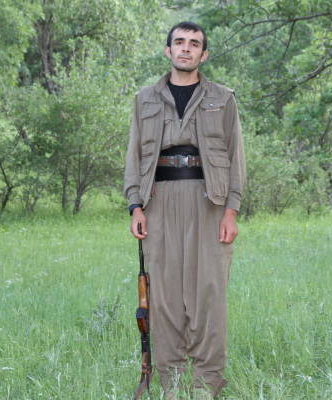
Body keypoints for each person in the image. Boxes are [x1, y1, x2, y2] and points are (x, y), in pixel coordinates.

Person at [124, 21, 246, 399]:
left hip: (208, 203)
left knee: (208, 295)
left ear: (203, 55)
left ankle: (207, 385)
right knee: (163, 297)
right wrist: (135, 206)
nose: (186, 48)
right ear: (168, 50)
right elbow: (133, 156)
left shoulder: (223, 98)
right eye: (179, 42)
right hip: (158, 201)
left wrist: (231, 210)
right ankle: (172, 385)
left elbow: (236, 155)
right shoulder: (144, 99)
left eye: (194, 44)